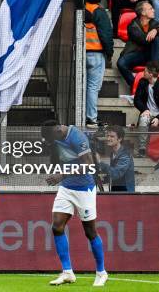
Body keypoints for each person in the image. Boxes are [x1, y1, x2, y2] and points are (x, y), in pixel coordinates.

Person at [40, 121, 108, 287]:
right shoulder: (55, 138)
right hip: (66, 188)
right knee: (57, 226)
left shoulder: (77, 137)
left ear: (57, 130)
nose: (51, 141)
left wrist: (61, 175)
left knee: (90, 231)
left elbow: (89, 165)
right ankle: (67, 272)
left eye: (50, 138)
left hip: (84, 189)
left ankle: (101, 272)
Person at [84, 0, 114, 128]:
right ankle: (91, 118)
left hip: (82, 53)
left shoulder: (83, 8)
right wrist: (109, 53)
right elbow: (106, 35)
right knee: (93, 87)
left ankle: (85, 115)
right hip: (96, 53)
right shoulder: (99, 12)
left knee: (83, 86)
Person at [117, 1, 159, 87]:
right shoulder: (132, 26)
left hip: (151, 55)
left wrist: (156, 30)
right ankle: (137, 86)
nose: (153, 10)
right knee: (121, 63)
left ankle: (154, 69)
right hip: (137, 54)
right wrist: (157, 31)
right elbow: (144, 40)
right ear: (143, 12)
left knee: (157, 38)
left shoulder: (154, 22)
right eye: (150, 9)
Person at [134, 61, 159, 154]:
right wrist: (144, 109)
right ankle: (142, 148)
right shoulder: (142, 82)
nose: (143, 73)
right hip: (148, 112)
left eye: (145, 71)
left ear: (150, 74)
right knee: (143, 119)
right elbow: (136, 100)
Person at [97, 126, 136, 192]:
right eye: (108, 136)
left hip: (126, 193)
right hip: (116, 191)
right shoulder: (113, 153)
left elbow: (116, 174)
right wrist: (104, 179)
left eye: (112, 136)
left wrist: (100, 162)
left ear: (120, 139)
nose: (108, 138)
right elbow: (113, 171)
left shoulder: (125, 155)